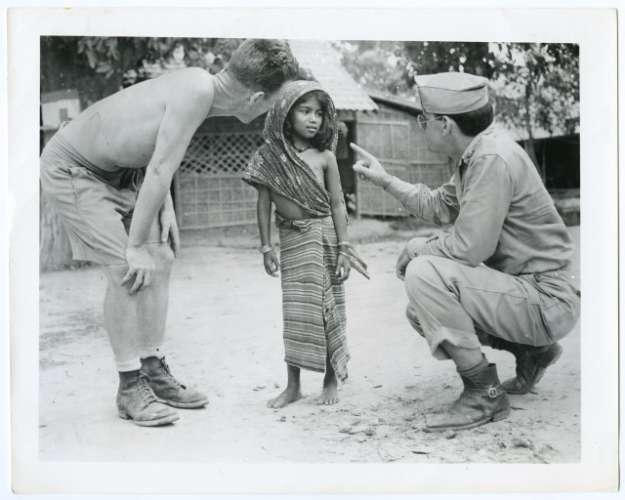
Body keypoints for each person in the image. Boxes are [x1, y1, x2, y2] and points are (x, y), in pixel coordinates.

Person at [40, 39, 300, 427]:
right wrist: (133, 245)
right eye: (272, 104)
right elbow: (161, 168)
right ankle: (130, 386)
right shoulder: (196, 92)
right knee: (126, 269)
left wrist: (166, 207)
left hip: (122, 171)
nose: (270, 111)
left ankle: (152, 369)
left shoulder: (200, 87)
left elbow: (155, 150)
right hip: (74, 168)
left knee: (160, 257)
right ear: (256, 98)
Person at [351, 72, 580, 432]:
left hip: (546, 299)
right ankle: (533, 352)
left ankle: (483, 393)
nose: (421, 126)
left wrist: (418, 247)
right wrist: (385, 180)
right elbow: (438, 205)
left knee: (424, 273)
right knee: (421, 311)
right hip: (535, 294)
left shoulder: (491, 158)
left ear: (444, 124)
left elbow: (471, 248)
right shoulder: (478, 153)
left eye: (423, 119)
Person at [243, 80, 369, 408]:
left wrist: (344, 247)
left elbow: (338, 204)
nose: (313, 119)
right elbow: (263, 204)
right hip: (292, 240)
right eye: (305, 111)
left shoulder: (325, 157)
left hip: (324, 237)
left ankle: (330, 379)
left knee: (327, 308)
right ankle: (293, 385)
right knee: (295, 310)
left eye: (318, 113)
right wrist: (266, 247)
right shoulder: (268, 158)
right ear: (286, 114)